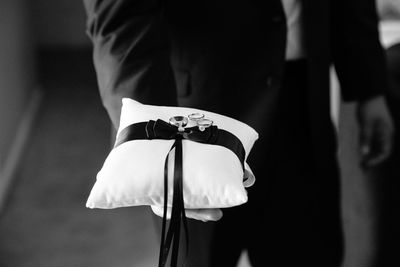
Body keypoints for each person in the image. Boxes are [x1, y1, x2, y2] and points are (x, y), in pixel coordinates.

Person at [82, 0, 394, 266]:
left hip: (303, 101)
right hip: (196, 116)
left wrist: (369, 87)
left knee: (310, 251)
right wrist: (153, 142)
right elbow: (121, 19)